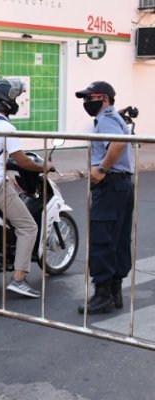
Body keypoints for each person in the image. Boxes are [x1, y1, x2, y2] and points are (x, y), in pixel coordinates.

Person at [0, 78, 53, 298]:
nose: (16, 101)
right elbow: (23, 162)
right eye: (14, 97)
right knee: (28, 227)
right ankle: (19, 279)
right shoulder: (5, 126)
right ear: (5, 101)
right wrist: (44, 166)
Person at [75, 81, 134, 314]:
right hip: (121, 185)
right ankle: (115, 291)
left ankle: (103, 295)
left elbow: (118, 143)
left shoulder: (107, 117)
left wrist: (102, 169)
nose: (86, 103)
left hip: (110, 185)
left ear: (105, 99)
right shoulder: (114, 118)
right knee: (118, 239)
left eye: (90, 98)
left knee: (102, 239)